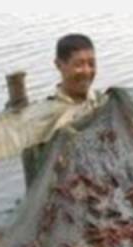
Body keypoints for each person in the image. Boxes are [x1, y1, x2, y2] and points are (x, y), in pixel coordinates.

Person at [21, 33, 105, 188]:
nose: (87, 71)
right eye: (79, 64)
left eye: (92, 64)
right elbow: (38, 169)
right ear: (59, 65)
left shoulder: (104, 103)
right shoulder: (44, 117)